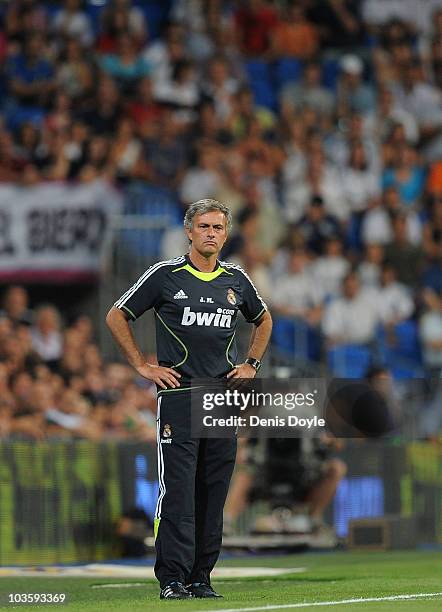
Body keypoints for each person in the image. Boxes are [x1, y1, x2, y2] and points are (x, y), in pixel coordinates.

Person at [106, 199, 272, 599]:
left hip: (221, 400)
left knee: (213, 493)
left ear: (226, 234)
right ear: (189, 231)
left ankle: (202, 577)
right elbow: (117, 315)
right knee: (179, 490)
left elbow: (263, 318)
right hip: (179, 397)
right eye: (204, 227)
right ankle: (173, 578)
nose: (211, 234)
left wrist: (250, 363)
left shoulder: (236, 280)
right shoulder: (165, 275)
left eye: (217, 227)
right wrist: (141, 365)